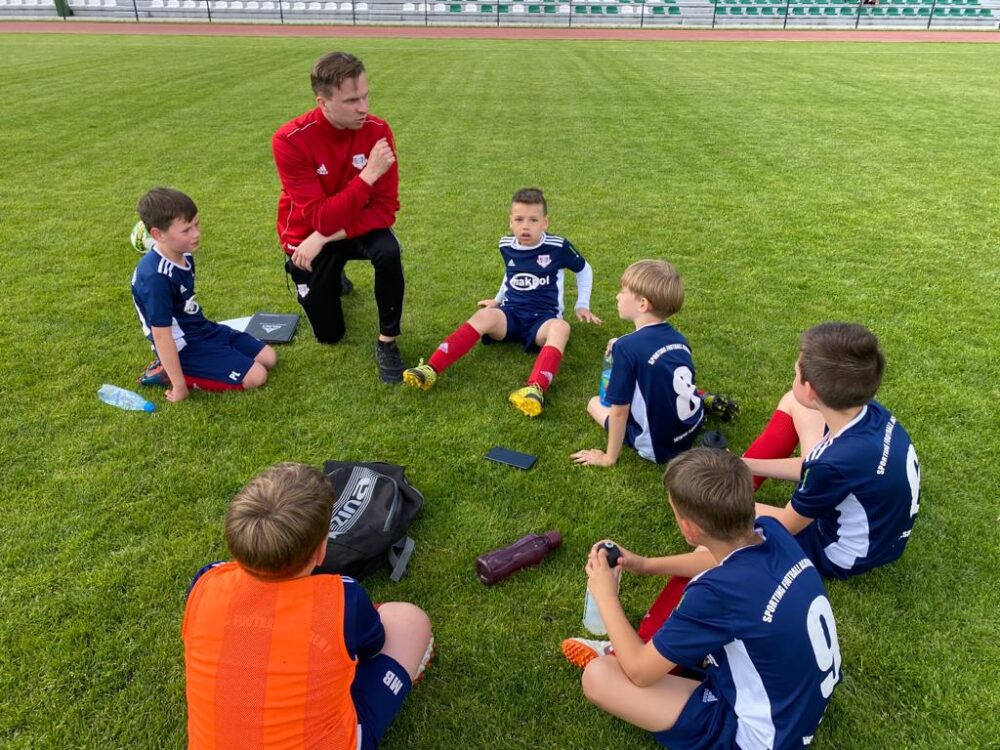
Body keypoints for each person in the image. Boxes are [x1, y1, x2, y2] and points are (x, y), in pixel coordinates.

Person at [561, 448, 842, 750]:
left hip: (760, 738)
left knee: (599, 676)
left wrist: (605, 595)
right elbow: (713, 560)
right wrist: (645, 564)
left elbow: (640, 672)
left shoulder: (715, 594)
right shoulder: (772, 529)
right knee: (708, 567)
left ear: (688, 527)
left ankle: (629, 649)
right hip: (800, 703)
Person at [183, 462, 433, 750]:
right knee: (409, 620)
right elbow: (373, 646)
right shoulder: (344, 598)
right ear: (322, 550)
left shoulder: (207, 581)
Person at [743, 321, 921, 580]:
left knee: (717, 512)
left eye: (796, 372)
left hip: (837, 553)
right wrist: (746, 464)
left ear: (810, 389)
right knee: (794, 403)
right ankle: (745, 476)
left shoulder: (831, 465)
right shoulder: (872, 412)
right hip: (882, 533)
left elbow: (787, 526)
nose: (794, 373)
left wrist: (715, 499)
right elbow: (817, 464)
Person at [401, 188, 602, 417]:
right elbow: (511, 275)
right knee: (484, 316)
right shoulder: (506, 245)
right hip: (511, 315)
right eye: (519, 219)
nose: (525, 226)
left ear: (545, 222)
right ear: (510, 221)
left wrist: (581, 304)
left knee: (561, 328)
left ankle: (535, 390)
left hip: (543, 321)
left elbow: (584, 269)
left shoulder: (558, 247)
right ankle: (431, 368)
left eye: (533, 220)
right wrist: (497, 301)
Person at [272, 51, 405, 383]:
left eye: (366, 96)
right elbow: (319, 217)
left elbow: (385, 209)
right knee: (329, 335)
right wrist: (369, 174)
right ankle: (328, 277)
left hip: (331, 233)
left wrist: (323, 238)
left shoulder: (378, 131)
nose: (364, 107)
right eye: (351, 101)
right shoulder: (289, 140)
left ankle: (387, 341)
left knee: (388, 250)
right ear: (323, 102)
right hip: (305, 233)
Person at [130, 187, 276, 402]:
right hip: (182, 346)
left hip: (202, 329)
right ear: (158, 235)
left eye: (196, 224)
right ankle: (170, 372)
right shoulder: (155, 278)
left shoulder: (184, 254)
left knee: (269, 358)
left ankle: (212, 357)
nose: (196, 233)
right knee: (257, 376)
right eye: (186, 230)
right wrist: (180, 386)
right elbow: (161, 336)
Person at [571, 259, 714, 467]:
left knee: (594, 403)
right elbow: (647, 347)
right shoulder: (678, 339)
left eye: (623, 292)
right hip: (693, 424)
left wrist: (608, 458)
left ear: (643, 304)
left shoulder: (626, 348)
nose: (617, 296)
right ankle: (704, 400)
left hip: (659, 446)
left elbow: (619, 412)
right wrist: (621, 343)